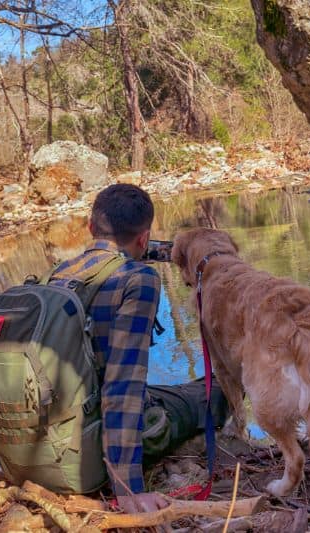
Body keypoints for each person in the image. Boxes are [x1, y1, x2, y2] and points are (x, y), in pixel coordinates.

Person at [48, 184, 227, 513]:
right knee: (216, 390)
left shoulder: (61, 273)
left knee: (166, 387)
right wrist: (128, 488)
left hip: (57, 434)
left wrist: (171, 251)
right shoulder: (138, 280)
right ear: (143, 238)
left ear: (91, 228)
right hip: (96, 443)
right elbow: (122, 386)